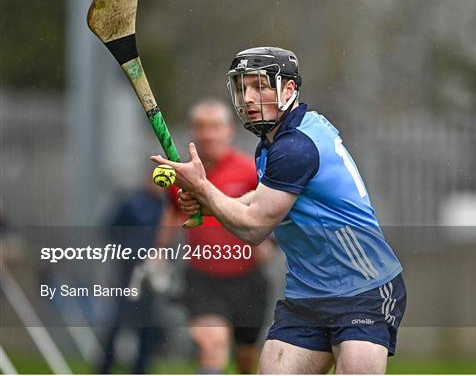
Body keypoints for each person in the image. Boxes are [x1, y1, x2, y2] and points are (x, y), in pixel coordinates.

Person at [151, 47, 406, 374]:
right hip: (308, 296)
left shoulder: (295, 147)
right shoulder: (277, 141)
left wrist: (203, 189)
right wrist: (208, 201)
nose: (249, 97)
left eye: (261, 86)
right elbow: (260, 200)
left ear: (289, 89)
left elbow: (255, 228)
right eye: (243, 87)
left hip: (363, 289)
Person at [156, 98, 272, 374]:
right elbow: (173, 213)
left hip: (247, 279)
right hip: (202, 279)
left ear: (229, 130)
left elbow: (270, 210)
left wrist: (269, 242)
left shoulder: (249, 170)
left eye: (215, 127)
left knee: (246, 356)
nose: (208, 134)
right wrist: (158, 253)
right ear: (191, 132)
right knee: (212, 345)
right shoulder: (181, 175)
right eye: (200, 127)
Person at [97, 176, 166, 374]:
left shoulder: (167, 206)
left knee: (148, 323)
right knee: (119, 320)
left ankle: (141, 368)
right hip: (129, 273)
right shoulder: (131, 203)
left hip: (152, 275)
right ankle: (104, 367)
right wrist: (133, 253)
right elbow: (110, 230)